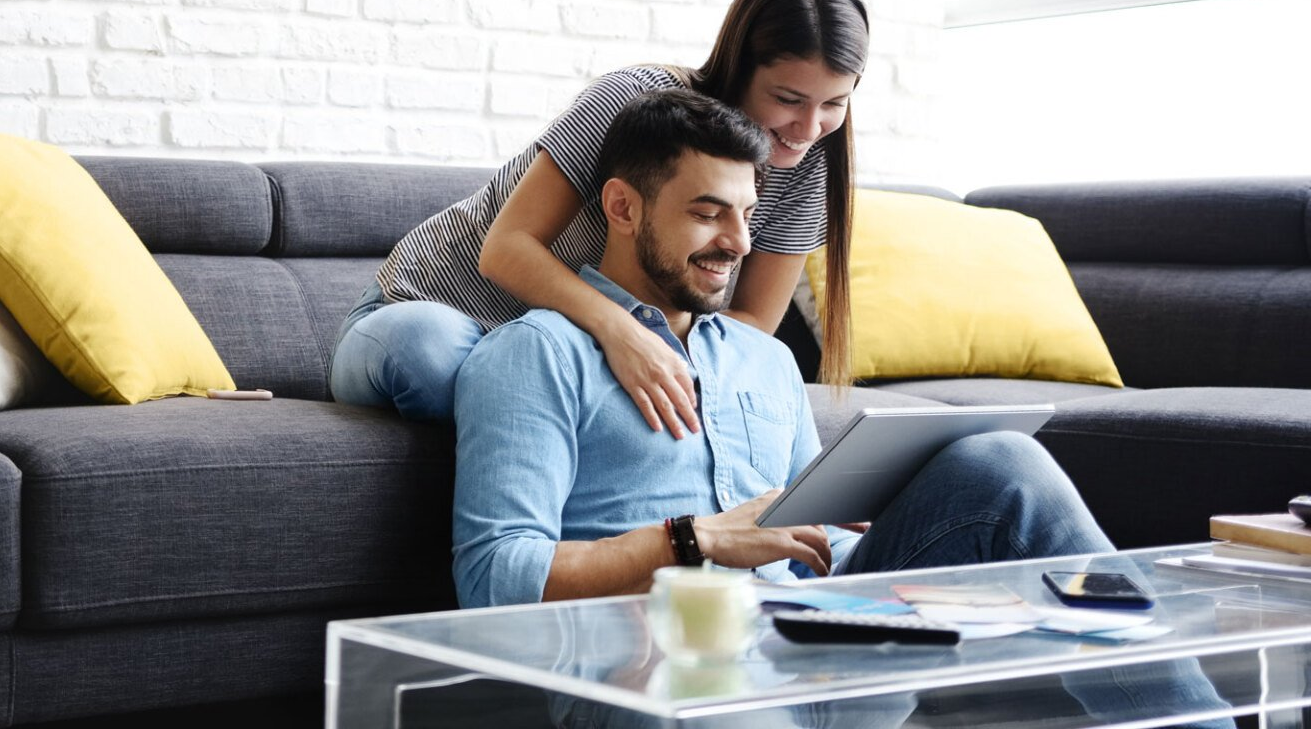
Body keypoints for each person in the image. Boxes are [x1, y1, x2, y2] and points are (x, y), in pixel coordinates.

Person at [449, 90, 1231, 728]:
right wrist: (693, 541)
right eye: (707, 212)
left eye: (748, 215)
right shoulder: (536, 353)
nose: (738, 243)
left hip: (827, 645)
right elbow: (493, 578)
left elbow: (809, 540)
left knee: (1004, 462)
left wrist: (889, 531)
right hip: (669, 672)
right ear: (622, 207)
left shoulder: (763, 358)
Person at [332, 0, 862, 432]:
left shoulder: (809, 169)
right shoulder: (633, 101)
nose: (809, 128)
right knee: (435, 359)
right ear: (741, 66)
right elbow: (506, 249)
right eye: (788, 99)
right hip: (436, 313)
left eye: (834, 103)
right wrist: (623, 335)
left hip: (566, 358)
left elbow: (748, 329)